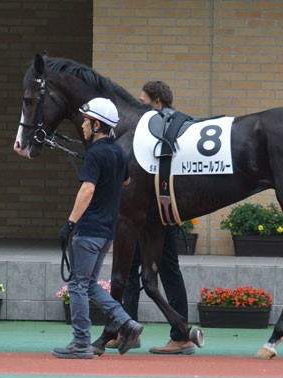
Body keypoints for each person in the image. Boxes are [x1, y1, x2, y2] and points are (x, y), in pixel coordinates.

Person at [106, 81, 194, 355]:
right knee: (133, 269)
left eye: (144, 102)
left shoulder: (165, 130)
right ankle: (126, 330)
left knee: (166, 269)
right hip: (146, 215)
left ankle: (181, 335)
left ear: (156, 103)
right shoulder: (162, 130)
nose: (140, 107)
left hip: (158, 216)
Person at [52, 97, 143, 359]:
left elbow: (88, 189)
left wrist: (70, 222)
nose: (82, 124)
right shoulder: (117, 151)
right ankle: (127, 323)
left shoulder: (95, 153)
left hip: (89, 229)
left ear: (97, 124)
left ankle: (81, 342)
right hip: (106, 232)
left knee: (78, 286)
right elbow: (125, 181)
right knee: (90, 284)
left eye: (86, 120)